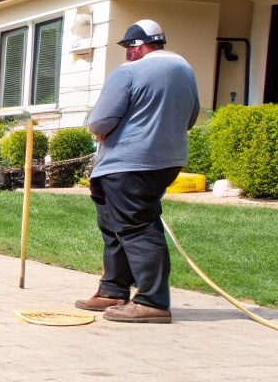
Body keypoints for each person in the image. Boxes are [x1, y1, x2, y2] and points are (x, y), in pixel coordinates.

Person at [74, 19, 200, 324]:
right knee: (118, 224)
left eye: (128, 49)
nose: (127, 55)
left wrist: (100, 128)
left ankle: (152, 301)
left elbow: (99, 121)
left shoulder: (129, 72)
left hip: (126, 163)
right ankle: (113, 289)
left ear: (138, 47)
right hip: (166, 161)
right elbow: (192, 116)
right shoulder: (185, 71)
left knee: (136, 227)